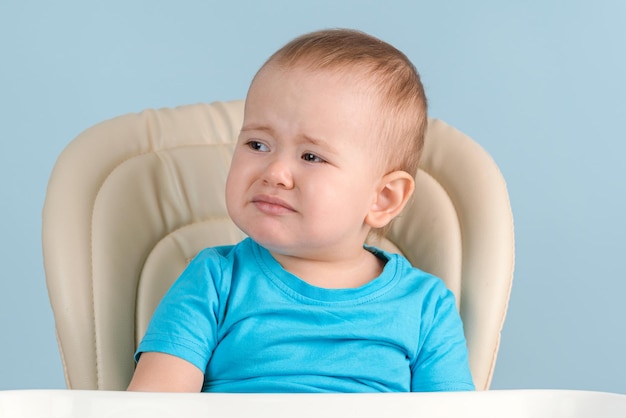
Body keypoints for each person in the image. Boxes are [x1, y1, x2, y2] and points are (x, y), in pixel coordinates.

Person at [127, 28, 475, 393]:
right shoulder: (214, 282)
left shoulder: (425, 307)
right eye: (257, 144)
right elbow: (154, 406)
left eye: (311, 156)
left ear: (383, 198)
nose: (275, 173)